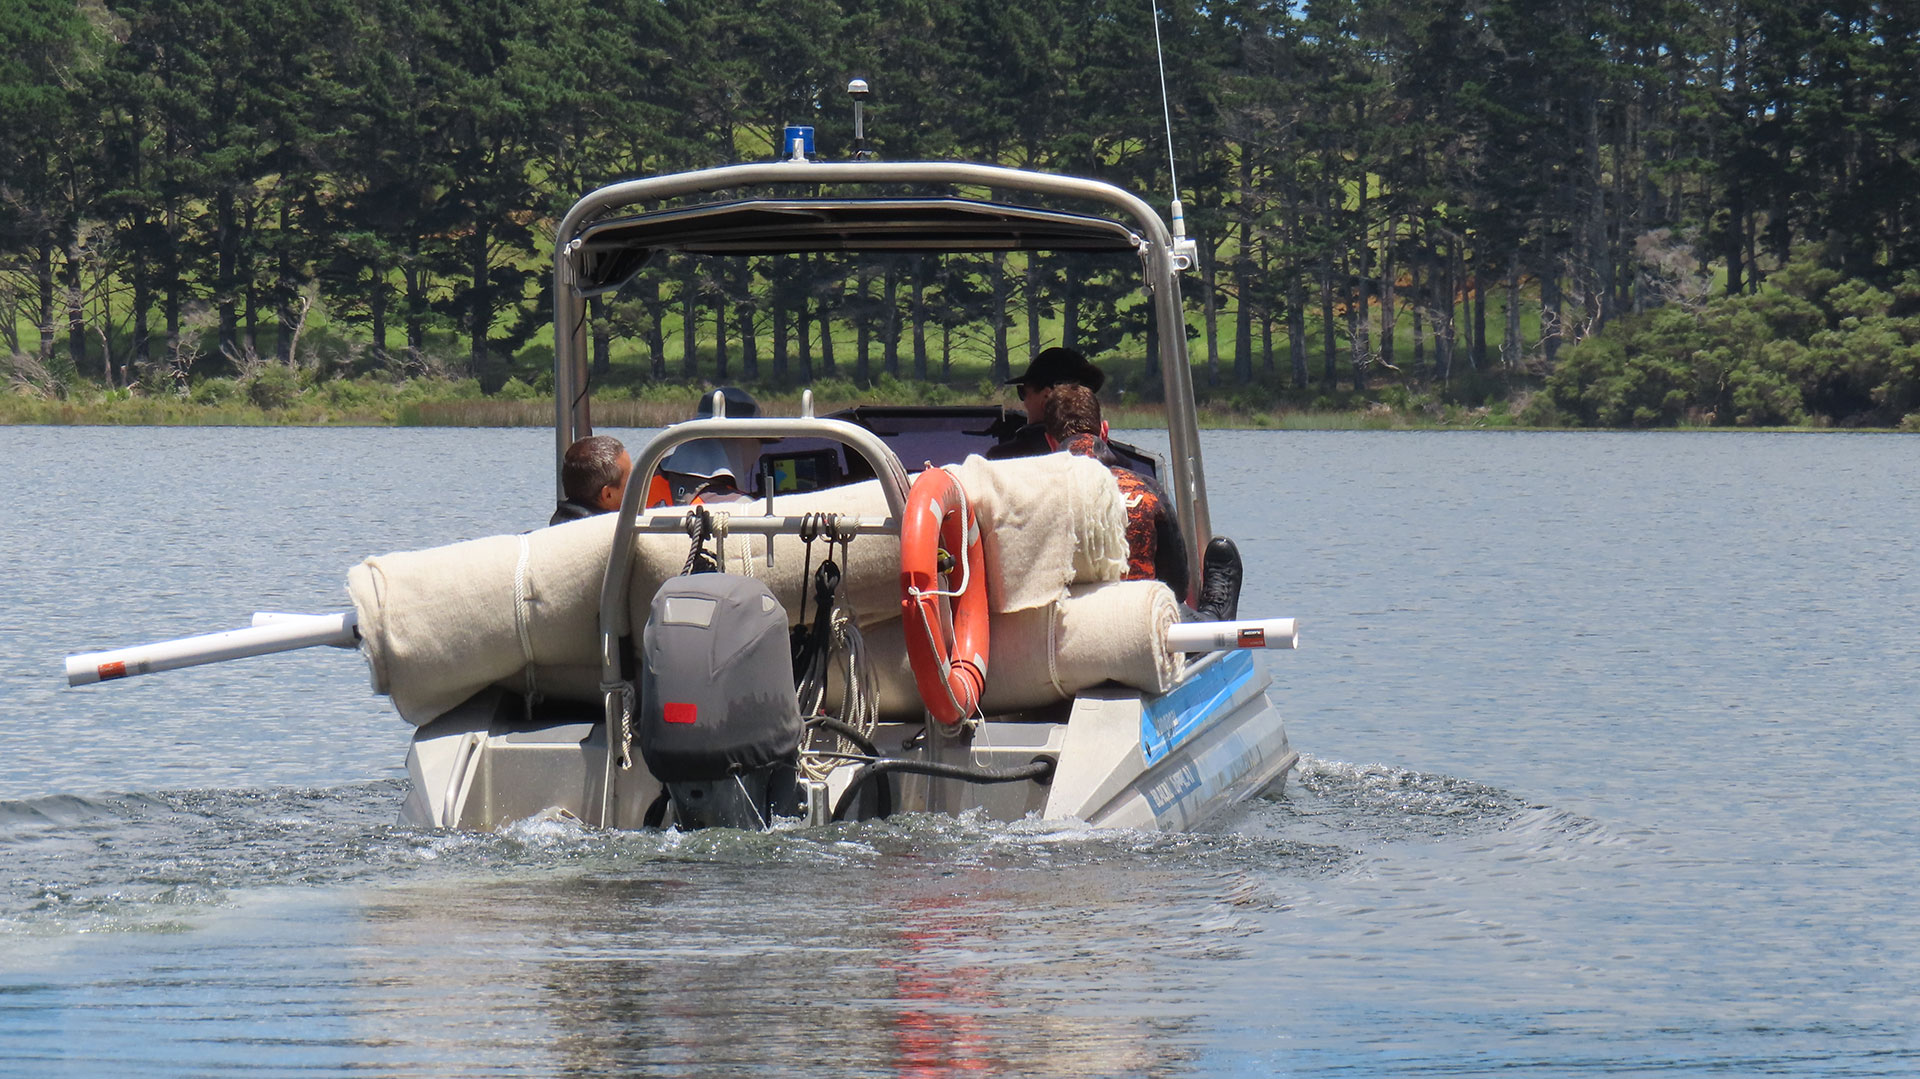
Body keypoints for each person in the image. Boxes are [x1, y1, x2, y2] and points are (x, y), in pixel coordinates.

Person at [1041, 384, 1243, 621]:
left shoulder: (1031, 493)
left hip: (1060, 626)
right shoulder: (1147, 490)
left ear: (1050, 442)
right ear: (1104, 431)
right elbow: (1176, 587)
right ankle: (1215, 615)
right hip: (1140, 624)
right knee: (1188, 616)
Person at [986, 346, 1106, 460]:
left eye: (1023, 392)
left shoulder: (1002, 458)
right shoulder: (1117, 463)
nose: (1024, 403)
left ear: (1046, 397)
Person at [657, 386, 764, 504]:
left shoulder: (644, 484)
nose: (760, 449)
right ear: (744, 440)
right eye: (762, 440)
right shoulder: (742, 506)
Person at [549, 435, 633, 525]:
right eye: (632, 479)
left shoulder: (558, 525)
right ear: (608, 494)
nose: (639, 485)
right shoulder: (607, 535)